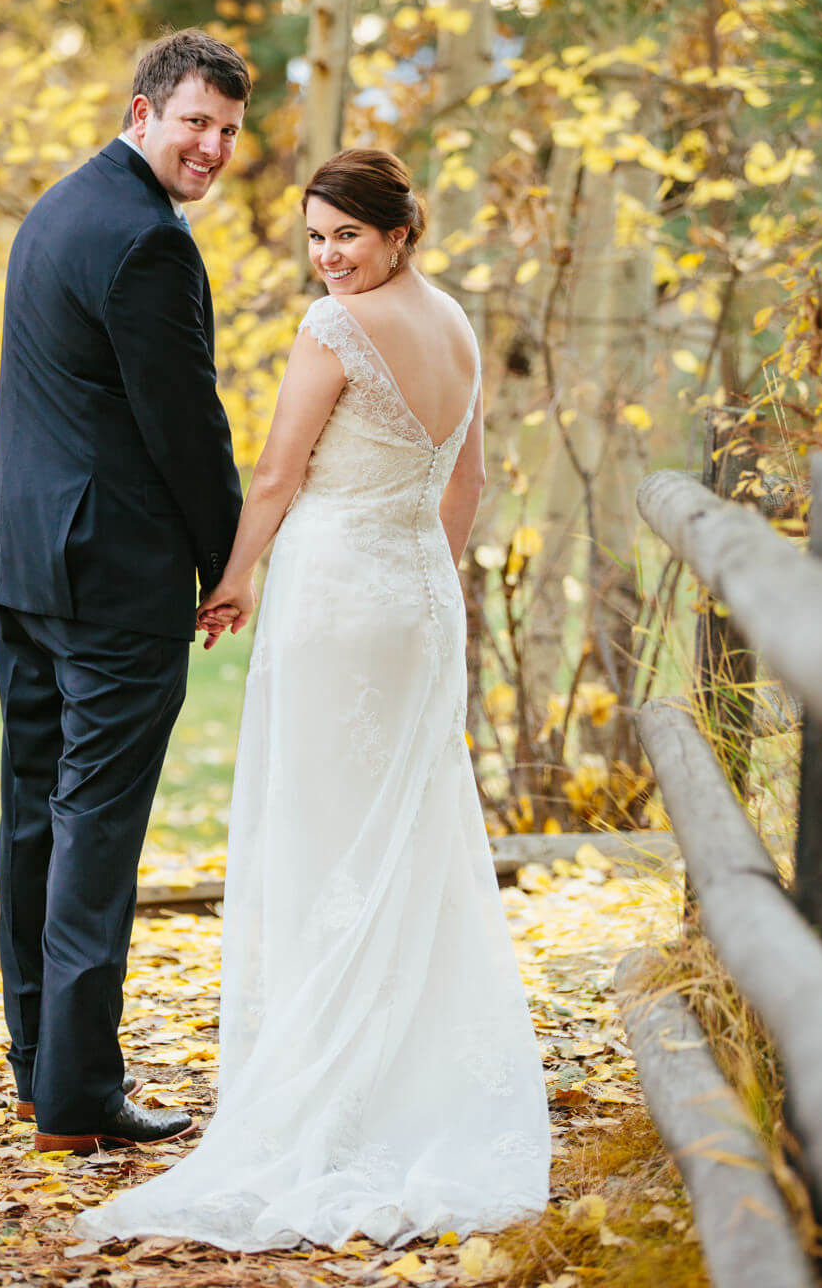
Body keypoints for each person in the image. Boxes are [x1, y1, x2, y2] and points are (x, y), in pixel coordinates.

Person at [78, 148, 550, 1251]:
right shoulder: (459, 326)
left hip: (339, 598)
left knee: (323, 841)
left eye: (346, 235)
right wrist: (421, 583)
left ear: (396, 232)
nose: (328, 257)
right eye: (314, 238)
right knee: (405, 844)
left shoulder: (334, 330)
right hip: (419, 600)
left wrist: (234, 576)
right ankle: (403, 1083)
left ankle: (329, 1099)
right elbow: (465, 484)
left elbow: (280, 475)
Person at [0, 29, 251, 1152]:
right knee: (92, 828)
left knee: (36, 808)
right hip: (110, 577)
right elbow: (186, 426)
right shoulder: (148, 245)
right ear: (143, 113)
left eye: (226, 130)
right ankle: (79, 1093)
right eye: (193, 123)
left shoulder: (59, 207)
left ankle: (39, 1069)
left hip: (23, 557)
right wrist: (228, 561)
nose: (211, 146)